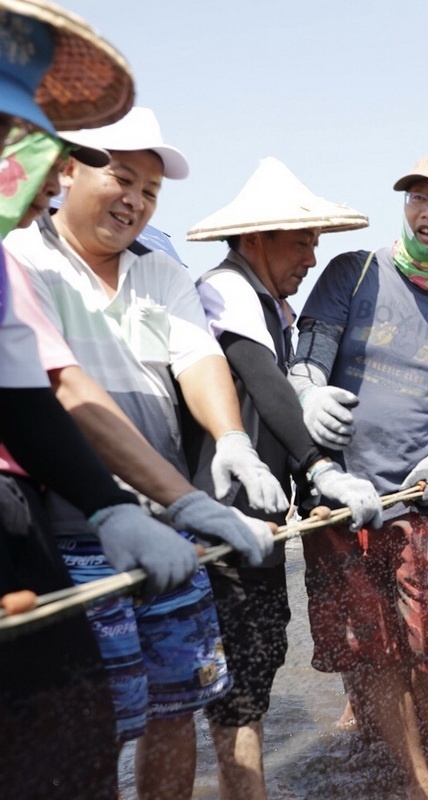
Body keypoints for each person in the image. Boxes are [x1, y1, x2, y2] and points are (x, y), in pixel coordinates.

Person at [7, 105, 282, 799]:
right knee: (88, 728)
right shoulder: (21, 257)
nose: (135, 200)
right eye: (121, 177)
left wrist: (233, 442)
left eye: (151, 191)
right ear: (66, 170)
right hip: (70, 537)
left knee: (176, 707)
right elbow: (62, 393)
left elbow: (198, 361)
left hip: (168, 538)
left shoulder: (160, 274)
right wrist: (170, 498)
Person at [0, 5, 195, 796]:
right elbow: (60, 386)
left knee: (68, 740)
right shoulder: (27, 257)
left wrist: (113, 505)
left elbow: (21, 399)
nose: (44, 176)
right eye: (29, 146)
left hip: (22, 507)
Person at [289, 151, 428, 799]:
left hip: (422, 505)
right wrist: (306, 403)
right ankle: (412, 771)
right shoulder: (352, 275)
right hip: (339, 503)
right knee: (369, 650)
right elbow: (307, 365)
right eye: (417, 197)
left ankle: (426, 743)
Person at [187, 157, 385, 800]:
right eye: (300, 240)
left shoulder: (275, 305)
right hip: (227, 510)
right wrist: (323, 467)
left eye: (314, 242)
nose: (310, 255)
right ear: (255, 239)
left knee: (257, 673)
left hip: (266, 515)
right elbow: (268, 389)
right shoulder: (227, 289)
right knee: (236, 689)